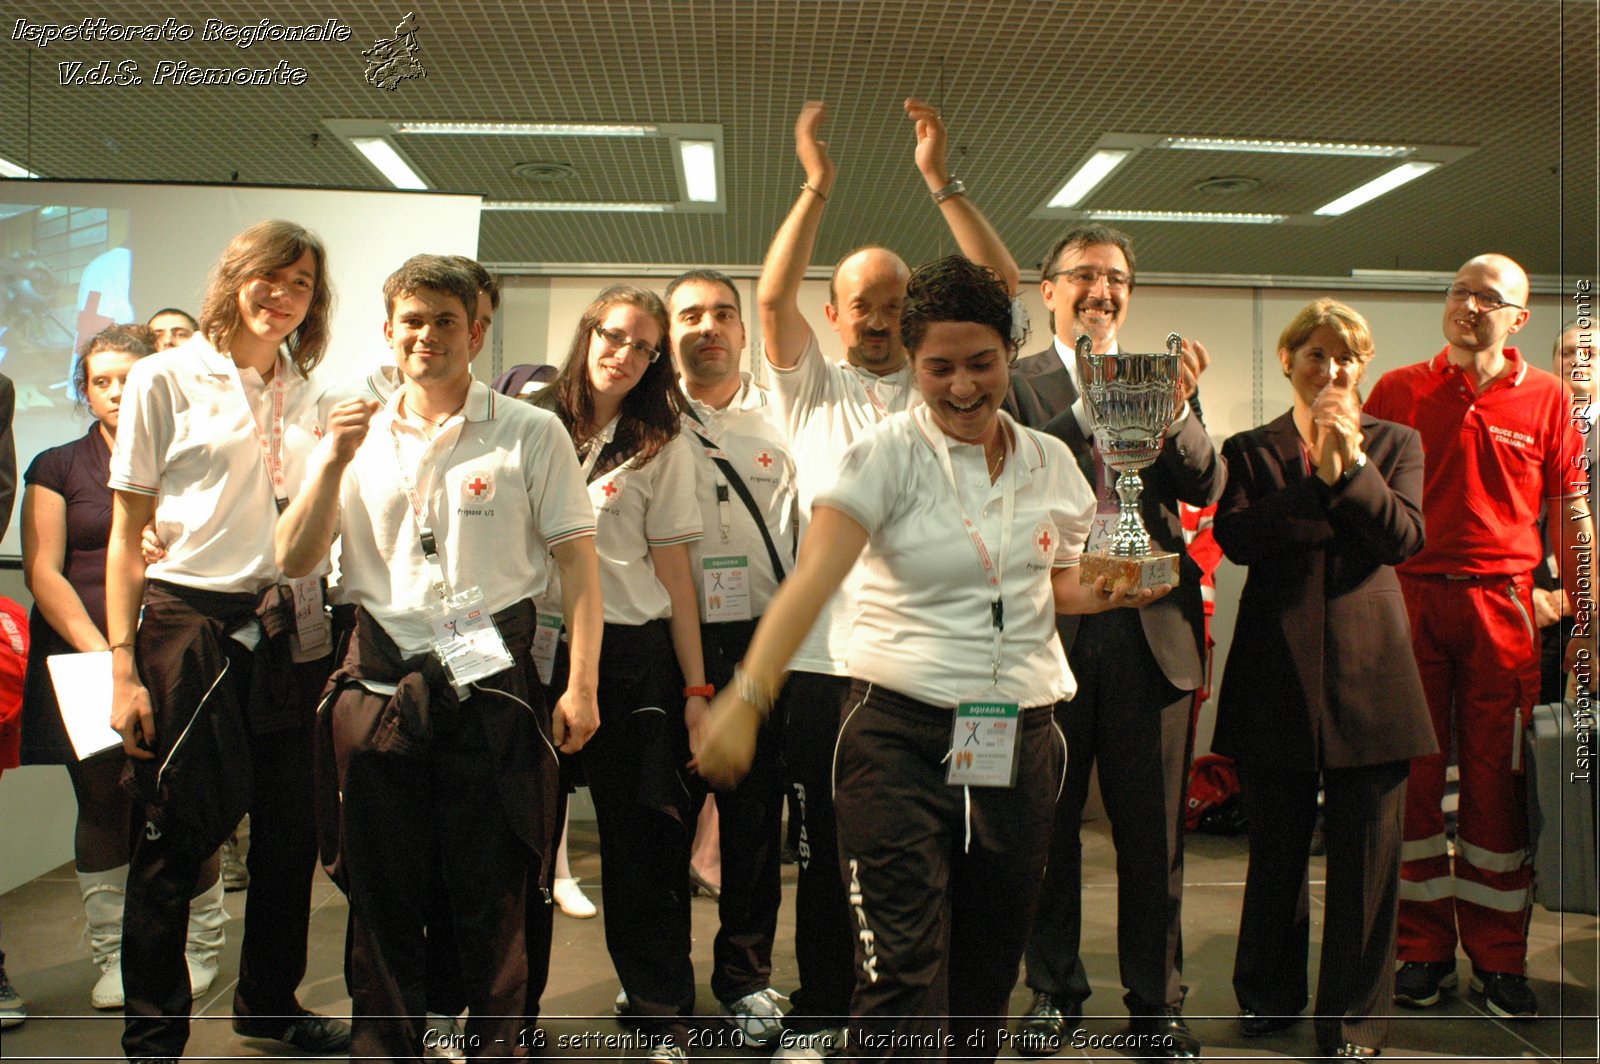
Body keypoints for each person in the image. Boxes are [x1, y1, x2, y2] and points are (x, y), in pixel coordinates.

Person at [697, 255, 1164, 1061]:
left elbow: (1053, 584)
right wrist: (748, 693)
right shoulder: (881, 456)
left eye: (980, 364)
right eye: (938, 367)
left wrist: (1117, 580)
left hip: (1021, 739)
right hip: (898, 739)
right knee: (904, 975)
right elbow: (814, 579)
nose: (960, 387)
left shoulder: (1050, 462)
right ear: (913, 363)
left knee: (987, 975)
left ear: (1007, 358)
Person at [276, 253, 602, 1060]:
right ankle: (386, 1044)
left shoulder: (529, 430)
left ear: (477, 332)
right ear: (388, 331)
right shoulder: (346, 433)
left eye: (446, 321)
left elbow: (578, 566)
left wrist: (584, 684)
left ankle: (494, 1043)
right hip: (381, 680)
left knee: (491, 887)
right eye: (411, 321)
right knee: (382, 891)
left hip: (490, 678)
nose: (427, 336)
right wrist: (330, 461)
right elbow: (294, 559)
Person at [755, 97, 1020, 1059]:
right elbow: (770, 297)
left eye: (891, 304)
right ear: (837, 314)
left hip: (963, 664)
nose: (874, 318)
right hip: (836, 665)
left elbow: (998, 287)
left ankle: (945, 1015)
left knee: (969, 846)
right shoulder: (811, 387)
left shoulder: (945, 381)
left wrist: (942, 181)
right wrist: (815, 186)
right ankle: (833, 1010)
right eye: (858, 303)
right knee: (836, 852)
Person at [106, 220, 354, 1060]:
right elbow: (124, 530)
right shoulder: (164, 378)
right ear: (235, 278)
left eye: (301, 285)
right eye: (270, 278)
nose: (282, 297)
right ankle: (154, 1037)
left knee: (289, 836)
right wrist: (121, 668)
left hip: (295, 624)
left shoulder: (319, 395)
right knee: (176, 838)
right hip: (191, 625)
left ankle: (269, 1002)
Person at [1005, 224, 1222, 1060]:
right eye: (1084, 276)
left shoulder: (1164, 375)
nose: (1102, 291)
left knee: (1153, 839)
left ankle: (1156, 1005)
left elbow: (1205, 483)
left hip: (1151, 639)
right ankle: (1054, 992)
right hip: (1051, 632)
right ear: (1049, 289)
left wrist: (1174, 413)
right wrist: (1093, 403)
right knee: (1046, 833)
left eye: (1116, 278)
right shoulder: (1018, 385)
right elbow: (1022, 467)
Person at [1364, 254, 1593, 1019]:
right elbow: (1362, 503)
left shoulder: (1549, 398)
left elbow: (1571, 517)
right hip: (1410, 602)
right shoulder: (1398, 388)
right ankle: (1420, 952)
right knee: (1416, 784)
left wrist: (1589, 619)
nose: (1468, 305)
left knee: (1500, 789)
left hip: (1503, 611)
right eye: (1458, 291)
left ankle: (1500, 961)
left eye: (1488, 298)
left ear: (1519, 318)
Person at [1210, 299, 1437, 1058]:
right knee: (1273, 853)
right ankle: (1268, 997)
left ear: (1361, 367)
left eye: (1345, 358)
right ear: (1288, 362)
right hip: (1275, 674)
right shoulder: (1251, 448)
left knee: (1369, 861)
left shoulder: (1398, 442)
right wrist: (1324, 484)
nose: (1331, 370)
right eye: (1316, 356)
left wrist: (1355, 469)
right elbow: (1239, 538)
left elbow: (1401, 538)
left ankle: (1354, 1021)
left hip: (1373, 681)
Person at [20, 324, 231, 1010]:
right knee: (104, 801)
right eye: (100, 380)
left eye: (127, 378)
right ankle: (112, 957)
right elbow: (44, 570)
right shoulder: (56, 465)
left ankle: (198, 950)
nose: (114, 391)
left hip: (176, 649)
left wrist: (144, 650)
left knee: (186, 798)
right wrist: (105, 651)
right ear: (84, 389)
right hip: (85, 653)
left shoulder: (191, 454)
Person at [533, 284, 708, 1063]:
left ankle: (660, 1007)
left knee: (643, 846)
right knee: (518, 848)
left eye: (644, 348)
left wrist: (697, 689)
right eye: (614, 337)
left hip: (632, 656)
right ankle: (505, 1015)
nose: (625, 356)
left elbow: (675, 575)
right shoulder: (528, 420)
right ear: (587, 333)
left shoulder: (659, 439)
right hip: (530, 651)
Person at [666, 268, 798, 1045]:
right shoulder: (645, 417)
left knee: (754, 822)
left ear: (745, 333)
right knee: (661, 821)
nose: (708, 326)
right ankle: (661, 986)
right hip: (667, 640)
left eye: (723, 314)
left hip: (762, 636)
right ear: (671, 330)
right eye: (691, 315)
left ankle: (746, 980)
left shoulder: (785, 416)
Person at [1533, 323, 1594, 701]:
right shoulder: (1531, 425)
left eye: (1589, 353)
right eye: (1567, 352)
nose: (1577, 360)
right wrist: (1526, 593)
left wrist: (1586, 596)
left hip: (1595, 613)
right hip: (1535, 606)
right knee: (1538, 739)